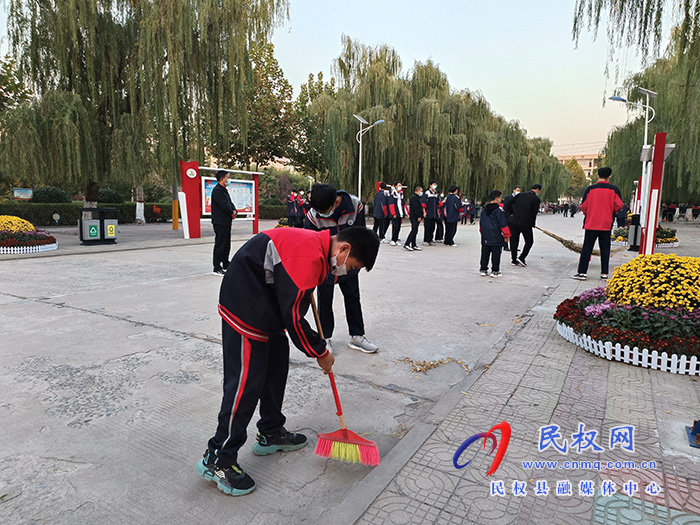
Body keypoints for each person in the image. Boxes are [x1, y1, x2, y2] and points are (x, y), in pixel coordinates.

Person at [197, 226, 380, 496]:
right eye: (351, 266)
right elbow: (293, 317)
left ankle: (270, 431)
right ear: (344, 250)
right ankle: (218, 458)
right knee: (245, 385)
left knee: (277, 366)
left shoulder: (318, 250)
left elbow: (293, 299)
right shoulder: (307, 257)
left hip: (266, 306)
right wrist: (320, 351)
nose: (347, 272)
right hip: (245, 307)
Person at [305, 183, 379, 354]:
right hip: (326, 265)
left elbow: (360, 236)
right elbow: (311, 243)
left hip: (349, 262)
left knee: (353, 297)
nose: (322, 215)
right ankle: (325, 338)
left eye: (325, 212)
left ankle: (357, 336)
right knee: (325, 301)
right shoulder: (313, 214)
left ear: (335, 203)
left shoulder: (354, 205)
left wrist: (355, 264)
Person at [572, 167, 623, 281]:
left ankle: (582, 273)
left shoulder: (590, 189)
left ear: (597, 176)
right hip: (606, 223)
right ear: (610, 176)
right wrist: (610, 211)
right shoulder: (614, 189)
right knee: (605, 249)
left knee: (587, 248)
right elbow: (619, 205)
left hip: (591, 223)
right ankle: (604, 273)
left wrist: (590, 213)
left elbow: (584, 206)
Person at [505, 184, 541, 267]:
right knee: (529, 241)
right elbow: (534, 213)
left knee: (514, 241)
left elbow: (509, 203)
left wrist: (511, 212)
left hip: (513, 222)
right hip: (526, 223)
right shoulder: (535, 199)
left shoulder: (520, 195)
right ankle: (522, 257)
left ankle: (514, 259)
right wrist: (532, 223)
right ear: (538, 190)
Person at [211, 170, 238, 276]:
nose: (228, 179)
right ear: (222, 178)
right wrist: (231, 212)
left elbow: (229, 203)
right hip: (220, 221)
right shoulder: (217, 190)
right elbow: (223, 205)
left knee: (226, 244)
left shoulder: (224, 190)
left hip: (226, 221)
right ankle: (216, 267)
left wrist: (235, 211)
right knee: (220, 244)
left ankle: (226, 263)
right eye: (227, 177)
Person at [479, 190, 511, 277]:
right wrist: (507, 235)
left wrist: (482, 231)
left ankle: (483, 269)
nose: (500, 199)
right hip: (496, 234)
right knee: (496, 254)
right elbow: (503, 224)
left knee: (485, 252)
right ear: (497, 198)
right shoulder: (499, 210)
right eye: (500, 197)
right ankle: (495, 270)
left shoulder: (484, 209)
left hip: (486, 234)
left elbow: (481, 222)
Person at [403, 186, 424, 251]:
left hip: (416, 217)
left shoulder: (416, 197)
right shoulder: (414, 198)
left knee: (415, 230)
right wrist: (418, 216)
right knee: (414, 230)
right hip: (415, 217)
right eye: (421, 191)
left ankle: (414, 244)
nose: (422, 192)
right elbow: (415, 208)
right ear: (418, 191)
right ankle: (407, 243)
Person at [502, 186, 521, 252]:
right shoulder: (508, 198)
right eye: (517, 190)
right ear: (513, 190)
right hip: (508, 217)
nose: (518, 192)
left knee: (514, 234)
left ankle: (514, 247)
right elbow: (505, 208)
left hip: (516, 219)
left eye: (519, 191)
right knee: (507, 232)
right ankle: (505, 245)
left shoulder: (519, 198)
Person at [422, 180, 440, 245]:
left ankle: (431, 239)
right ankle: (426, 240)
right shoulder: (427, 193)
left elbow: (437, 205)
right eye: (434, 184)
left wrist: (438, 212)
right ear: (430, 185)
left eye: (436, 184)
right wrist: (424, 212)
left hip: (434, 213)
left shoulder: (436, 194)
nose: (435, 186)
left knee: (432, 227)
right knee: (427, 227)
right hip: (428, 212)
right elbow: (423, 204)